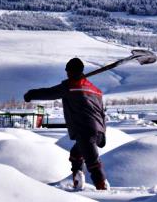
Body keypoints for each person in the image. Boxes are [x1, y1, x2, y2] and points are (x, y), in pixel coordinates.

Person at [24, 58, 109, 190]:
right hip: (98, 130)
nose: (66, 73)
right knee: (76, 155)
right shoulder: (95, 90)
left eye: (67, 71)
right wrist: (102, 133)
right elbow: (101, 112)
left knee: (93, 164)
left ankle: (103, 190)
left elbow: (49, 93)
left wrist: (31, 94)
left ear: (70, 71)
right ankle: (78, 180)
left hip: (85, 130)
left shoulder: (70, 86)